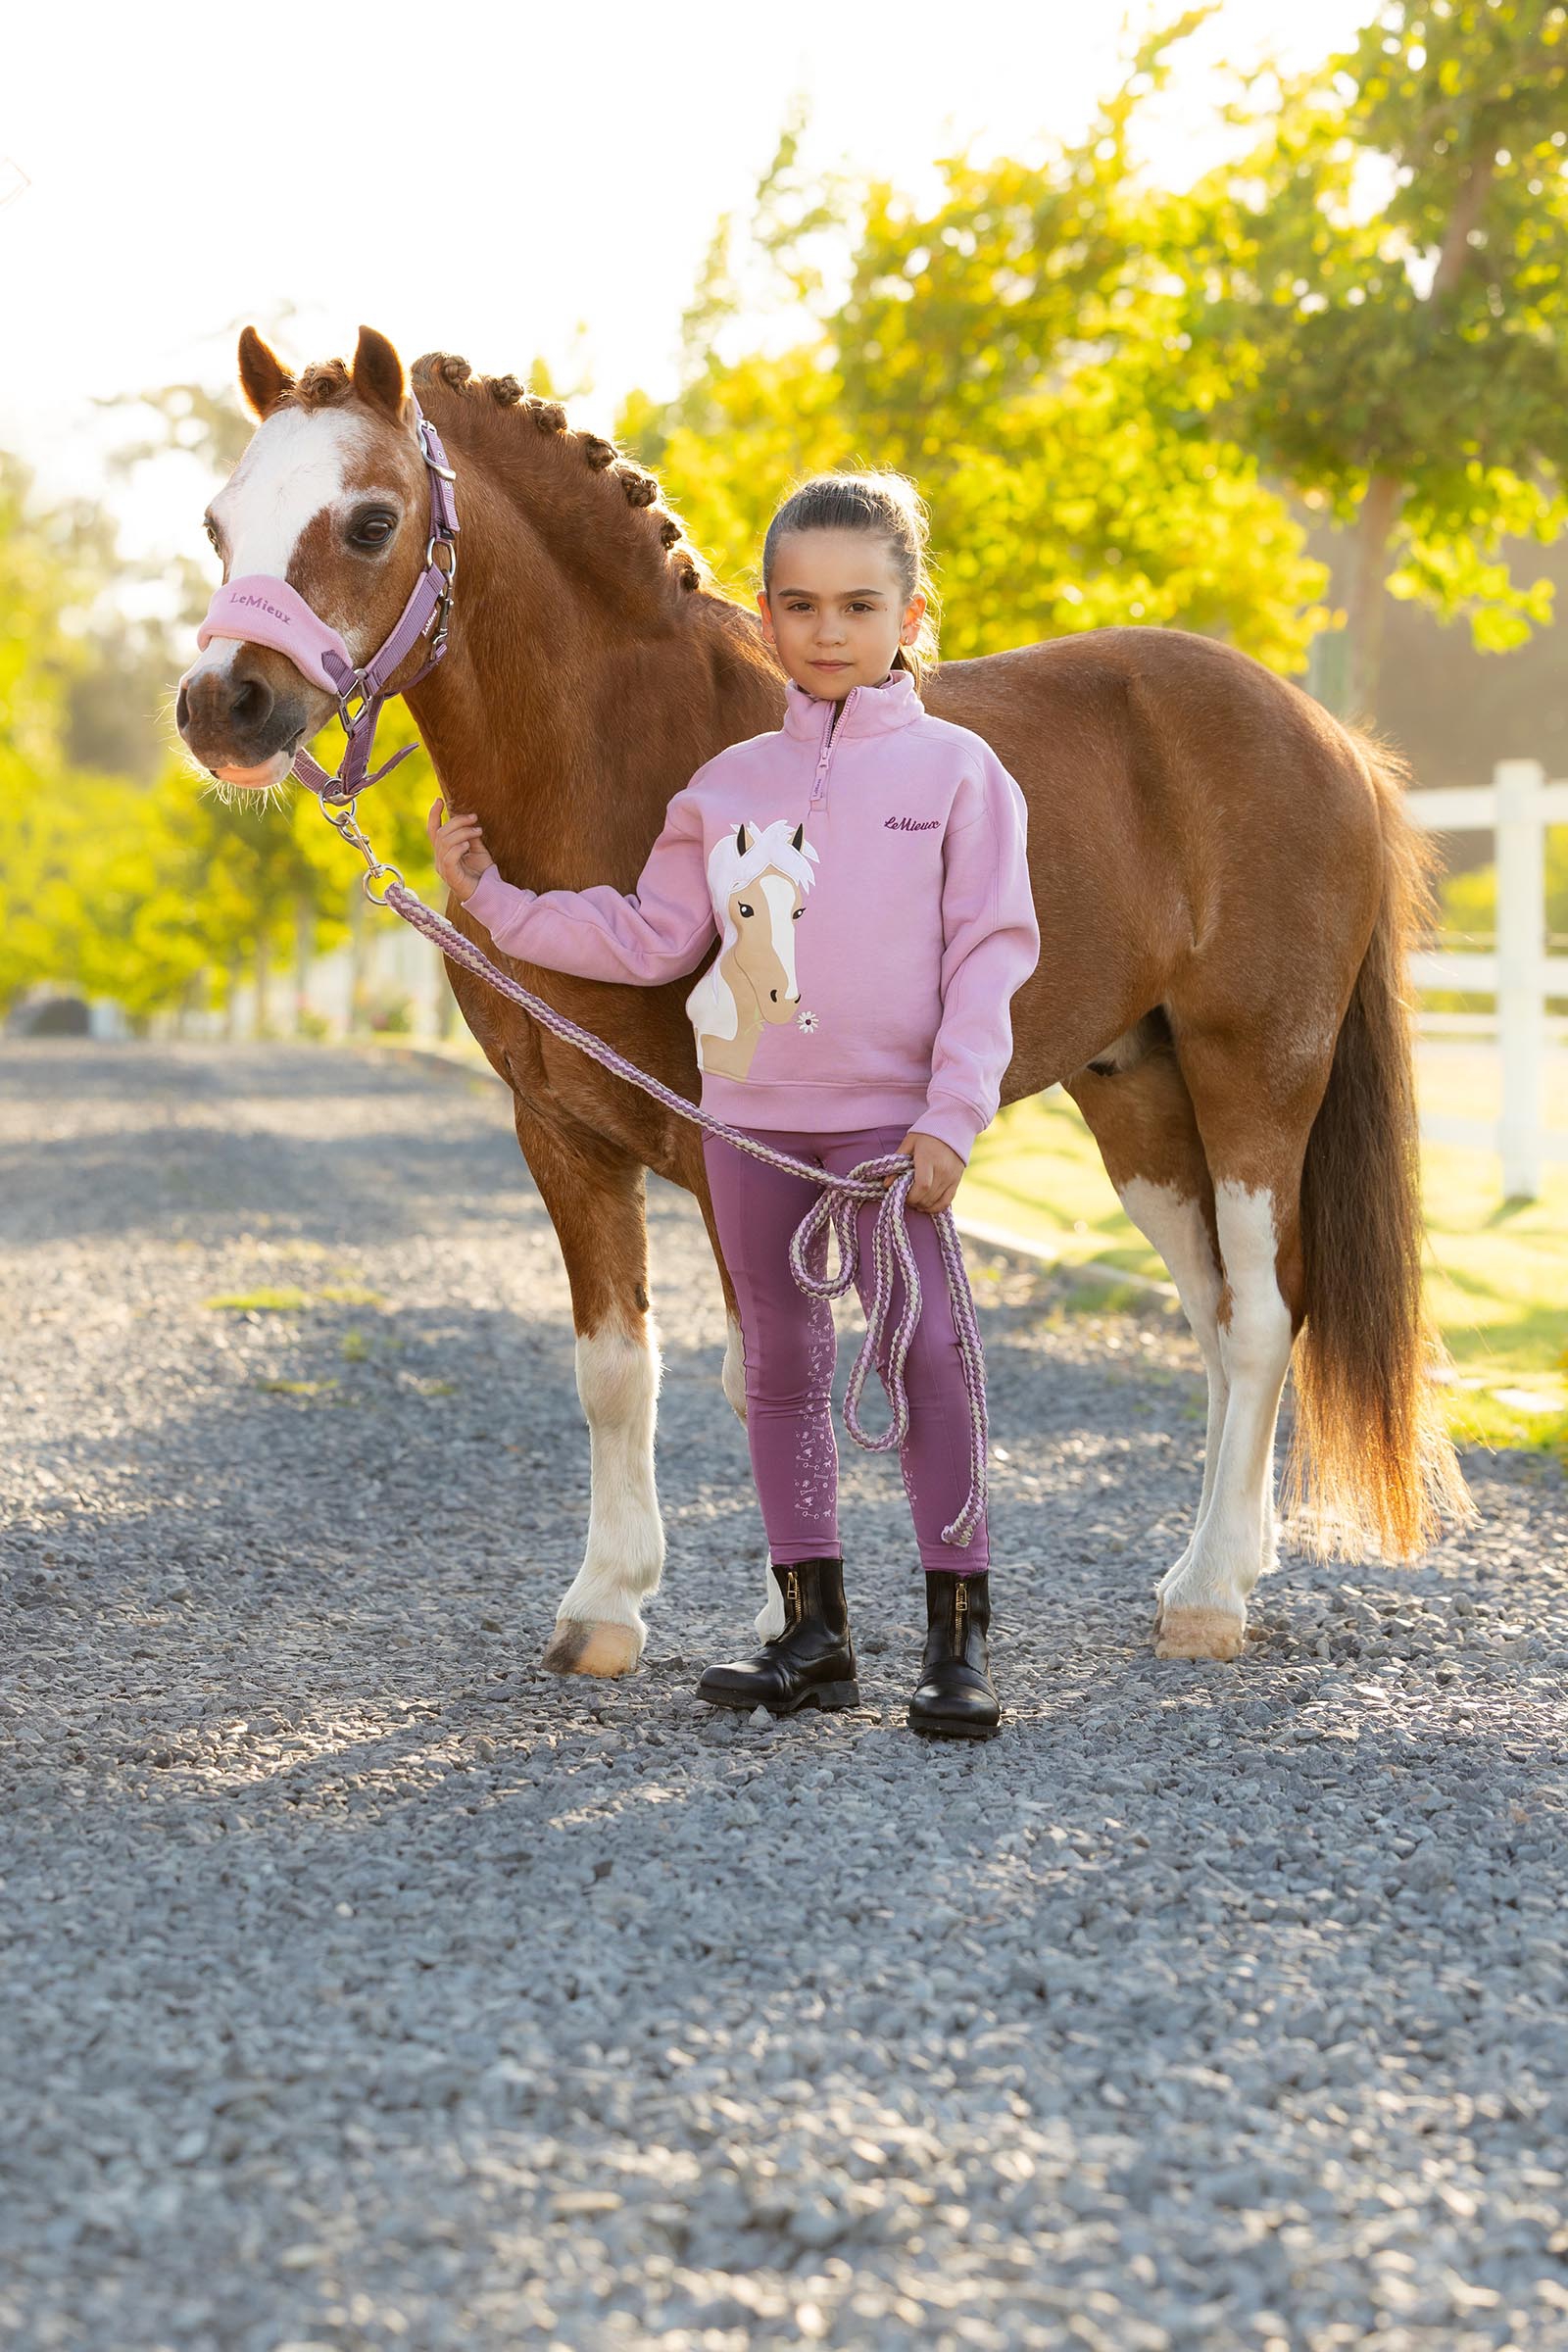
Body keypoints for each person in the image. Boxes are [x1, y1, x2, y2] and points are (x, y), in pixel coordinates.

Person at [427, 471, 1040, 1739]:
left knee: (928, 1355)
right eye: (801, 605)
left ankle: (958, 1638)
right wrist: (488, 901)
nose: (828, 630)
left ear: (912, 613)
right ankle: (814, 1633)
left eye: (859, 604)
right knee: (778, 1367)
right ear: (761, 619)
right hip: (752, 1120)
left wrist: (951, 1117)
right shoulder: (725, 784)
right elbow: (651, 935)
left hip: (888, 1133)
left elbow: (992, 954)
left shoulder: (963, 773)